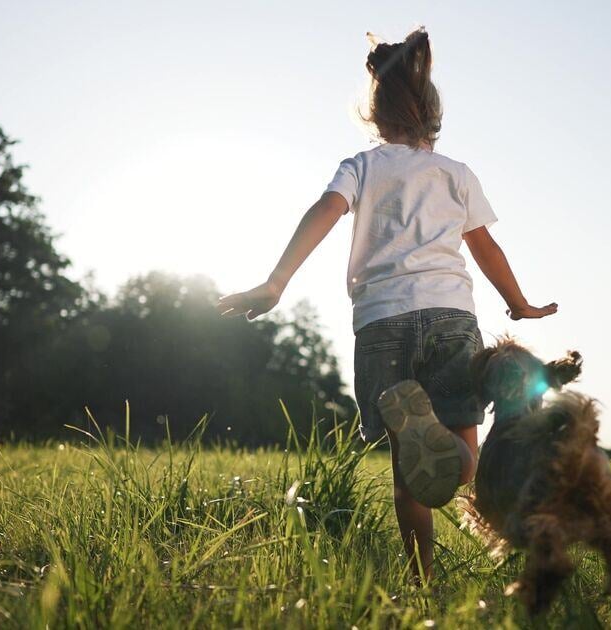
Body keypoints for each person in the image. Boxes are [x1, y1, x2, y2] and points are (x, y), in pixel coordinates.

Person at [217, 26, 556, 583]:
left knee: (408, 471)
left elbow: (324, 211)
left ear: (375, 114)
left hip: (381, 323)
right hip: (449, 317)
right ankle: (456, 459)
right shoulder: (456, 175)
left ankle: (423, 580)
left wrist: (275, 282)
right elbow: (486, 247)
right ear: (431, 112)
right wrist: (519, 305)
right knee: (462, 457)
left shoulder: (361, 167)